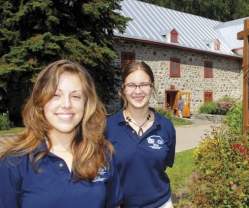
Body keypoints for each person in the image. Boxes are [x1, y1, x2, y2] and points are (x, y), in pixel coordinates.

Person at [0, 60, 120, 208]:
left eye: (76, 96)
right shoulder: (14, 163)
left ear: (86, 104)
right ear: (40, 101)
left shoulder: (103, 154)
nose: (66, 104)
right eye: (56, 95)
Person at [106, 62, 176, 208]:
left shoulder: (166, 126)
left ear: (152, 87)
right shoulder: (108, 127)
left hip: (161, 204)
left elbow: (164, 164)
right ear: (123, 89)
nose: (138, 91)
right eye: (131, 85)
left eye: (144, 84)